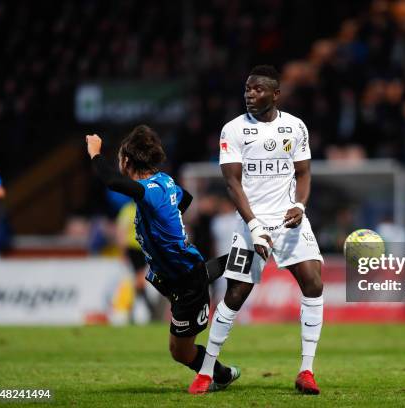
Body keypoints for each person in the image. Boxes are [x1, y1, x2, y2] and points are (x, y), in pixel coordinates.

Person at [190, 65, 324, 395]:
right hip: (250, 221)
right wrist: (253, 226)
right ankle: (206, 372)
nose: (250, 94)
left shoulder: (295, 127)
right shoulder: (233, 130)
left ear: (275, 94)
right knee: (235, 294)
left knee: (314, 282)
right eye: (247, 89)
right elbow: (231, 183)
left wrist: (300, 206)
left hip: (290, 220)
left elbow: (304, 174)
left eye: (258, 89)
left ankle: (306, 371)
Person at [85, 125, 239, 393]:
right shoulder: (165, 182)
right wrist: (169, 219)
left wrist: (95, 154)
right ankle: (223, 373)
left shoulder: (151, 189)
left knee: (179, 351)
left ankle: (223, 374)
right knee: (178, 348)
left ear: (126, 161)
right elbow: (186, 198)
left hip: (186, 282)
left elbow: (112, 182)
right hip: (176, 277)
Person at [116, 201, 156, 322]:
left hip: (140, 249)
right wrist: (123, 250)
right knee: (139, 280)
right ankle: (149, 309)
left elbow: (121, 230)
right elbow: (122, 231)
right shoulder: (137, 209)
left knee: (138, 281)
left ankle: (134, 310)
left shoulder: (129, 209)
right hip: (134, 249)